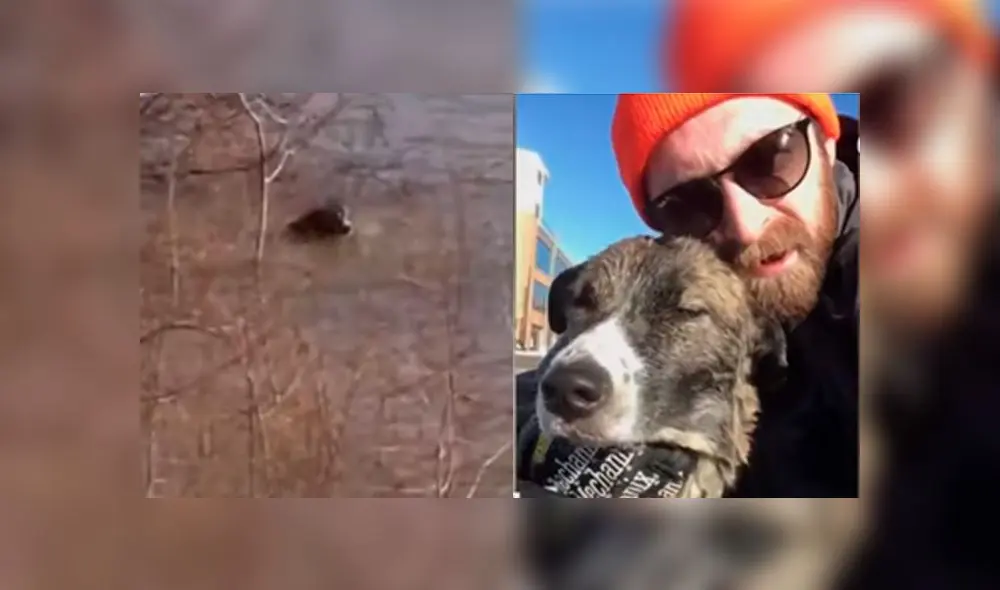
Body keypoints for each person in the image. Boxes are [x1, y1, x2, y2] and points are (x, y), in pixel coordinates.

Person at [516, 92, 860, 498]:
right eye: (689, 203)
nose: (746, 225)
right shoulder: (684, 272)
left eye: (769, 160)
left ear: (827, 144)